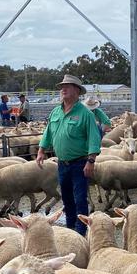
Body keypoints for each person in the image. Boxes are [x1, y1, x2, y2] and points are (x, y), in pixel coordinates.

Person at [37, 74, 101, 236]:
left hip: (80, 163)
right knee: (66, 198)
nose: (63, 89)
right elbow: (48, 132)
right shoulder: (55, 112)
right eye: (62, 87)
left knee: (80, 199)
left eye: (68, 86)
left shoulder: (85, 114)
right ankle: (71, 228)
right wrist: (41, 150)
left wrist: (91, 161)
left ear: (77, 91)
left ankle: (81, 232)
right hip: (62, 164)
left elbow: (94, 137)